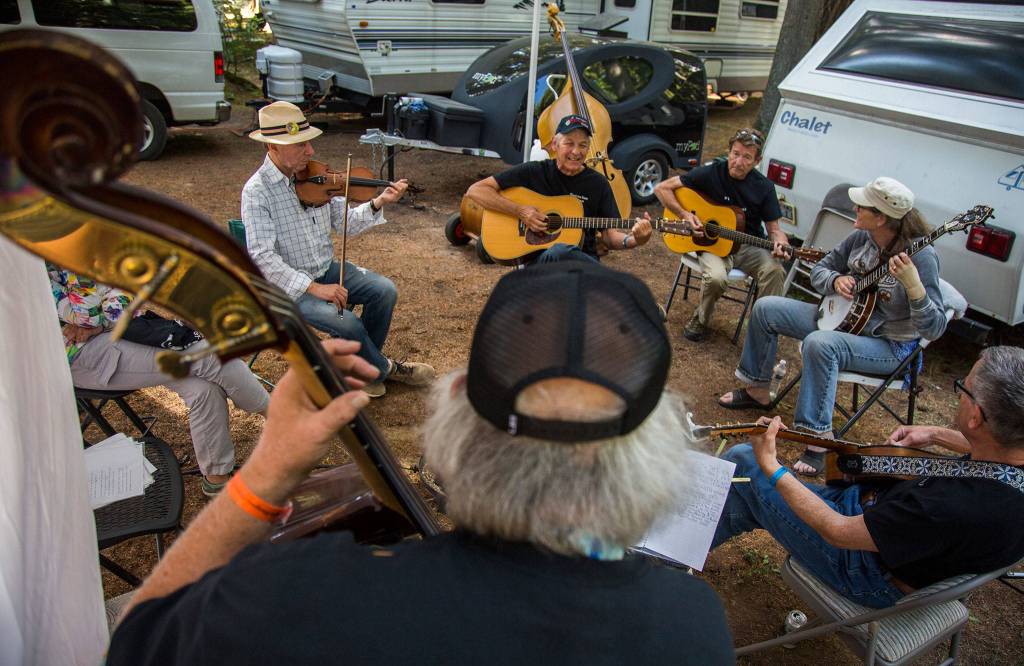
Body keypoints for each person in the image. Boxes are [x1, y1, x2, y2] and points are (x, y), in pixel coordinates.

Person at [106, 262, 735, 665]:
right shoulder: (691, 628)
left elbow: (138, 638)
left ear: (456, 409)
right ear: (657, 450)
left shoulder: (303, 595)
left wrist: (265, 471)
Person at [712, 346, 1024, 608]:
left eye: (963, 389)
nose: (959, 393)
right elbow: (989, 443)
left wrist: (771, 465)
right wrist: (935, 434)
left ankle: (671, 554)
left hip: (863, 568)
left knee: (745, 462)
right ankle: (678, 550)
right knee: (746, 497)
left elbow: (838, 531)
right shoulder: (1011, 451)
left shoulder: (949, 506)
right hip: (886, 529)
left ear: (976, 417)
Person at [719, 177, 947, 475]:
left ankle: (818, 440)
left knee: (819, 342)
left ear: (881, 217)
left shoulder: (923, 257)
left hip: (889, 345)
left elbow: (935, 328)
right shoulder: (861, 238)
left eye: (862, 206)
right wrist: (835, 280)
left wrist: (915, 288)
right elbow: (821, 270)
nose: (854, 207)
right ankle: (758, 390)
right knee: (765, 308)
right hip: (840, 319)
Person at [241, 100, 434, 398]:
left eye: (308, 143)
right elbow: (262, 259)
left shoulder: (314, 177)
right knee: (347, 322)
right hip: (288, 289)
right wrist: (315, 288)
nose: (311, 151)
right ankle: (384, 369)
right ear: (273, 148)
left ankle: (358, 370)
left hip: (326, 269)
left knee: (384, 291)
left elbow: (347, 222)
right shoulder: (257, 193)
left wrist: (379, 201)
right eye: (300, 145)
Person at [50, 266, 270, 496]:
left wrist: (99, 323)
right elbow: (88, 314)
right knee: (209, 354)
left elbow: (124, 294)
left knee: (203, 388)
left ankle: (217, 478)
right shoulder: (34, 264)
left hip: (121, 329)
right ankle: (282, 418)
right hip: (79, 355)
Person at [653, 128, 789, 342]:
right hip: (712, 244)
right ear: (729, 151)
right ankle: (701, 319)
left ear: (757, 160)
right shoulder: (711, 172)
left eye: (746, 157)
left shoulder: (764, 187)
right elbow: (661, 188)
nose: (738, 161)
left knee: (775, 271)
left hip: (747, 246)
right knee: (716, 278)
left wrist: (780, 242)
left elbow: (775, 230)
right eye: (735, 153)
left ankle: (762, 332)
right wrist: (685, 214)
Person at [466, 113, 653, 264]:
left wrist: (635, 240)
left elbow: (610, 237)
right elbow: (476, 190)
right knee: (559, 250)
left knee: (566, 252)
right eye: (569, 143)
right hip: (539, 259)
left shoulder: (598, 184)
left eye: (583, 145)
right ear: (555, 145)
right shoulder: (534, 171)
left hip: (583, 259)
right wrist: (521, 211)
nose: (576, 151)